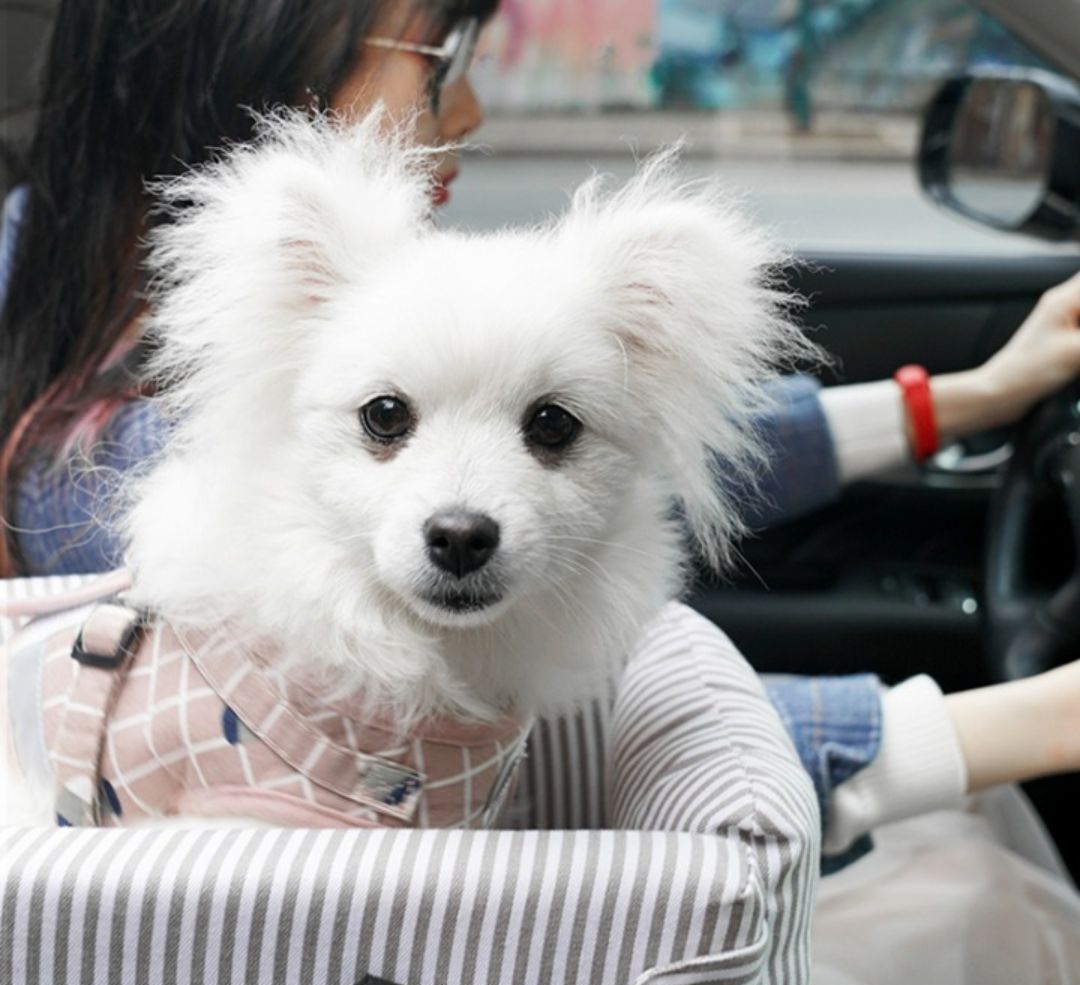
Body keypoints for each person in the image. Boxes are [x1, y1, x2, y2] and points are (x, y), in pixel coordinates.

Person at [0, 0, 1078, 873]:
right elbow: (600, 756)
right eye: (438, 56)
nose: (464, 108)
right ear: (249, 55)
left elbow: (641, 437)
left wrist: (967, 398)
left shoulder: (131, 335)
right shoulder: (123, 465)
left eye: (546, 430)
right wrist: (1019, 727)